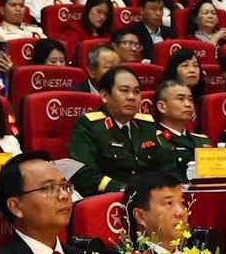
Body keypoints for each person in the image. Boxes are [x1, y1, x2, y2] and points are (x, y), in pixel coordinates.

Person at [66, 65, 163, 195]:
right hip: (108, 197)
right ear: (105, 96)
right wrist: (124, 189)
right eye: (124, 91)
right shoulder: (90, 125)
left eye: (136, 91)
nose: (132, 97)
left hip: (147, 196)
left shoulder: (146, 124)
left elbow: (163, 165)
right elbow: (84, 173)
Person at [150, 77, 210, 178]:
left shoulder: (202, 141)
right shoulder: (155, 141)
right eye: (180, 99)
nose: (188, 105)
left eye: (190, 100)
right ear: (162, 106)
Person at [125, 171, 197, 252]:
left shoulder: (195, 252)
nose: (181, 212)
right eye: (169, 203)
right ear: (140, 216)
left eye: (181, 203)